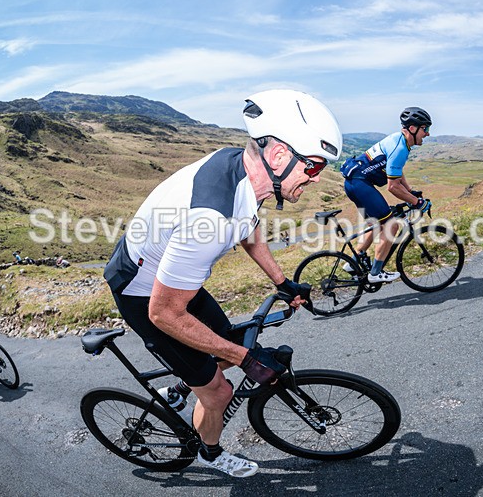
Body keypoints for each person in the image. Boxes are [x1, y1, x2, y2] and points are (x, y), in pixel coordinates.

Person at [103, 89, 342, 477]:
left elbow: (248, 226)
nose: (315, 179)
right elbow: (163, 313)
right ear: (280, 155)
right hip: (145, 297)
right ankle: (209, 454)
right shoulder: (210, 220)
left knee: (225, 343)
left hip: (173, 281)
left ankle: (184, 386)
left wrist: (282, 282)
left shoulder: (246, 170)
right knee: (220, 390)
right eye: (313, 167)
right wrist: (243, 359)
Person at [340, 107, 433, 282]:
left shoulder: (398, 140)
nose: (427, 133)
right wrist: (417, 202)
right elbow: (392, 187)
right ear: (412, 128)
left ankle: (353, 262)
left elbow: (396, 172)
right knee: (391, 225)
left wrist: (410, 191)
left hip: (353, 183)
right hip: (361, 184)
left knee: (376, 223)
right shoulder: (400, 148)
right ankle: (376, 273)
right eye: (425, 129)